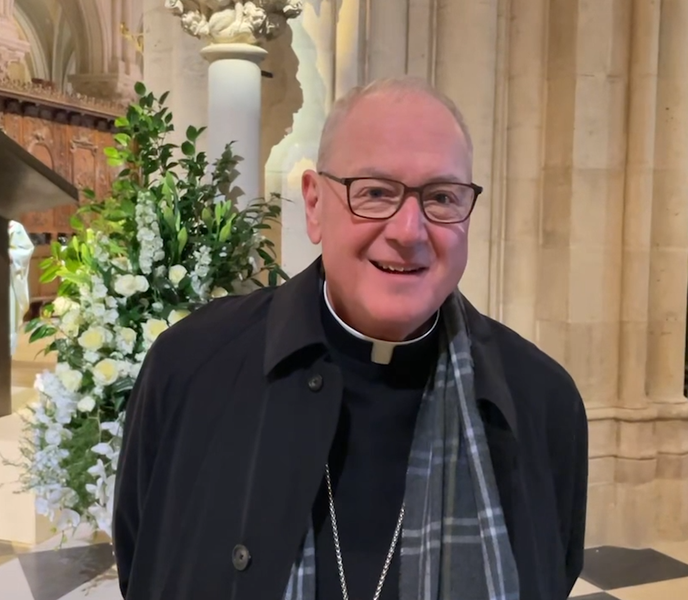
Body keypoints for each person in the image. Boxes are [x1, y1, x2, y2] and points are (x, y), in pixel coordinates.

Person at [113, 77, 589, 600]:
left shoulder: (542, 401)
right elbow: (144, 563)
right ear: (315, 205)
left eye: (442, 197)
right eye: (375, 193)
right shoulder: (191, 366)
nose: (409, 231)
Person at [8, 219, 34, 355]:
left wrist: (12, 255)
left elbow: (26, 250)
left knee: (7, 320)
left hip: (6, 281)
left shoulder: (14, 227)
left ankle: (4, 358)